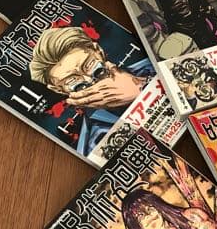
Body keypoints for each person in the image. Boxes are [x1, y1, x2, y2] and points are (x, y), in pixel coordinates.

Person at [28, 25, 150, 158]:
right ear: (58, 89)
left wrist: (140, 87)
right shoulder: (94, 145)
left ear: (98, 51)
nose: (89, 79)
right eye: (72, 80)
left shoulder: (150, 66)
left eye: (89, 65)